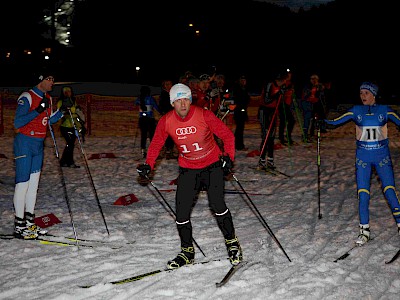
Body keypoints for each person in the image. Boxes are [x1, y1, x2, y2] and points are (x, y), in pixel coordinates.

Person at [136, 83, 242, 269]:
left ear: (190, 100)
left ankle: (232, 242)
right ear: (172, 103)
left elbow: (227, 136)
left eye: (185, 99)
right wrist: (148, 165)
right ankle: (187, 251)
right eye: (178, 100)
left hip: (212, 165)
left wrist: (228, 158)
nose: (183, 104)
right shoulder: (167, 121)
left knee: (217, 205)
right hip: (188, 169)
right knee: (181, 212)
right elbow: (156, 144)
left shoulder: (203, 114)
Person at [323, 82, 400, 246]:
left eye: (366, 93)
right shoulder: (356, 110)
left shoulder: (384, 110)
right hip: (363, 157)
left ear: (373, 94)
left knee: (389, 191)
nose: (363, 96)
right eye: (361, 93)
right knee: (363, 194)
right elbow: (335, 121)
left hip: (382, 157)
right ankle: (364, 231)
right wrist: (322, 122)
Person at [12, 70, 69, 239]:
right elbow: (17, 122)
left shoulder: (48, 98)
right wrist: (37, 110)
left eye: (53, 78)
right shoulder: (27, 96)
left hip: (38, 145)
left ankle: (29, 222)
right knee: (22, 185)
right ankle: (19, 225)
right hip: (24, 143)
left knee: (33, 186)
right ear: (40, 80)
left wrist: (61, 111)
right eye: (49, 78)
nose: (52, 82)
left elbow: (47, 120)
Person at [258, 73, 287, 170]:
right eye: (282, 80)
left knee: (271, 137)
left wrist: (282, 94)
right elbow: (267, 100)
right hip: (264, 111)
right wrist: (278, 94)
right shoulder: (270, 85)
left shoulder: (280, 86)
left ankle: (270, 160)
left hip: (273, 112)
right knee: (266, 136)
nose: (283, 82)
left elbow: (280, 100)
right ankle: (262, 160)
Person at [57, 86, 86, 168]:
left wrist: (80, 118)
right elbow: (60, 112)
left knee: (71, 144)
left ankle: (64, 161)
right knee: (70, 143)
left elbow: (76, 110)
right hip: (65, 126)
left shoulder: (73, 101)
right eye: (65, 92)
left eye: (69, 91)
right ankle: (69, 161)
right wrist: (65, 110)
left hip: (73, 125)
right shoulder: (61, 101)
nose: (67, 93)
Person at [135, 85, 161, 158]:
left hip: (142, 119)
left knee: (143, 135)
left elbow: (136, 103)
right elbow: (156, 107)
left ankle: (143, 150)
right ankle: (153, 151)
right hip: (150, 119)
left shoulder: (139, 98)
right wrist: (161, 112)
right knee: (152, 135)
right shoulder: (151, 98)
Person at [300, 74, 326, 142]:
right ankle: (305, 135)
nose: (314, 81)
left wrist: (319, 88)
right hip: (307, 104)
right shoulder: (308, 86)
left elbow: (322, 93)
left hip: (314, 104)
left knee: (315, 120)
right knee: (307, 120)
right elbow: (305, 95)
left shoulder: (318, 86)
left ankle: (312, 133)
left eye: (315, 79)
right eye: (312, 79)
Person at [158, 79, 175, 159]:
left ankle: (170, 149)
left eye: (170, 84)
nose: (169, 86)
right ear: (164, 86)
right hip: (167, 117)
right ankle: (168, 150)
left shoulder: (173, 94)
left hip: (174, 116)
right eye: (167, 84)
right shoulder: (163, 95)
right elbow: (161, 106)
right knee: (168, 134)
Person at [232, 75, 250, 151]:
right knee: (239, 129)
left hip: (242, 111)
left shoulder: (244, 89)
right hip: (239, 111)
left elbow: (246, 99)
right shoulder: (238, 89)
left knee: (240, 129)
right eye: (242, 80)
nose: (243, 82)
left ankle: (238, 145)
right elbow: (240, 100)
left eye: (244, 80)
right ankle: (238, 145)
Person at [278, 70, 296, 145]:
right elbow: (280, 92)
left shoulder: (290, 83)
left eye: (290, 75)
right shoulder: (282, 82)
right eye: (288, 75)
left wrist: (292, 94)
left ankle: (286, 136)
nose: (289, 76)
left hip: (288, 104)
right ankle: (283, 137)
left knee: (289, 121)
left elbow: (290, 93)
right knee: (285, 121)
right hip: (282, 104)